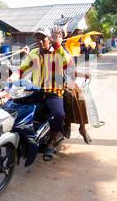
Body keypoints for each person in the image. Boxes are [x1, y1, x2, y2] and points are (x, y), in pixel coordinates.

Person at [9, 27, 72, 161]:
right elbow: (21, 69)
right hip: (36, 91)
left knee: (59, 115)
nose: (39, 41)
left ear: (49, 39)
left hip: (53, 93)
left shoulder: (58, 52)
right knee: (13, 103)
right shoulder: (33, 53)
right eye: (37, 38)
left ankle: (50, 143)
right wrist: (11, 79)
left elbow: (68, 62)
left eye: (42, 38)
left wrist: (58, 44)